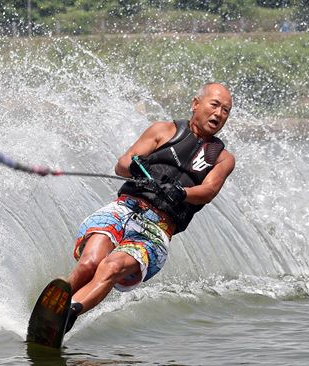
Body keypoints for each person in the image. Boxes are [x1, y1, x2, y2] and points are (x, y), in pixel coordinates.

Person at [64, 82, 235, 332]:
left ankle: (68, 313)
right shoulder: (163, 130)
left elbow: (207, 191)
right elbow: (122, 164)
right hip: (125, 209)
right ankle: (53, 305)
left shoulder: (222, 158)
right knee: (90, 263)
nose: (219, 114)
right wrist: (134, 167)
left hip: (156, 230)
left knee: (110, 267)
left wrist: (181, 192)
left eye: (226, 111)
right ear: (196, 104)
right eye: (215, 105)